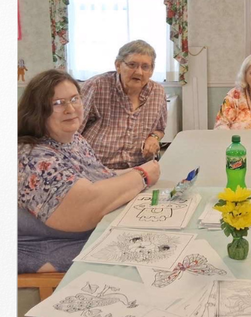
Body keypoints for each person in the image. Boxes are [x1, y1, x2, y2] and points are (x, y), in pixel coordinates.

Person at [18, 69, 161, 273]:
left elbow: (101, 177)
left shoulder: (73, 139)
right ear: (37, 110)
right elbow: (85, 204)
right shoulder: (31, 157)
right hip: (59, 255)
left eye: (75, 99)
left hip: (96, 237)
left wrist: (135, 172)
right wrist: (142, 176)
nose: (70, 109)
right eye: (58, 103)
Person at [79, 40, 167, 169]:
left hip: (138, 166)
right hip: (95, 166)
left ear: (152, 70)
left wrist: (153, 138)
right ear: (118, 65)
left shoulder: (158, 92)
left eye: (145, 67)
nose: (139, 72)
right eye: (132, 65)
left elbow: (159, 129)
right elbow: (73, 131)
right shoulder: (96, 86)